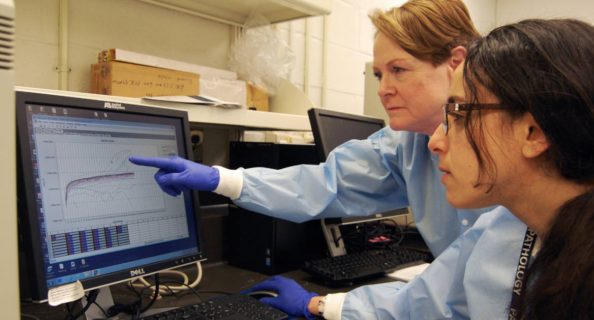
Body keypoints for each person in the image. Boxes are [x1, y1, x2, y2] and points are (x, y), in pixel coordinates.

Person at [130, 1, 528, 318]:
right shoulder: (407, 143)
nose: (385, 89)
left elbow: (452, 296)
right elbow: (326, 183)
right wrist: (222, 179)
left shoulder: (515, 162)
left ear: (456, 63)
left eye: (399, 70)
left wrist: (322, 305)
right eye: (378, 75)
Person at [246, 18, 594, 319]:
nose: (436, 141)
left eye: (457, 114)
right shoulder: (509, 231)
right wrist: (320, 304)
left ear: (533, 132)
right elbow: (429, 302)